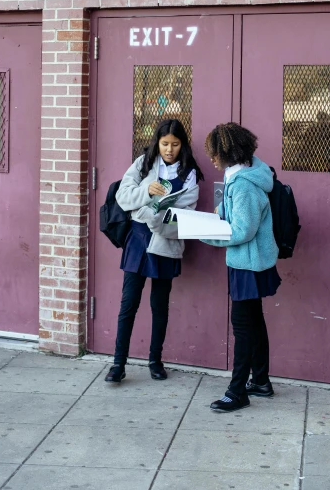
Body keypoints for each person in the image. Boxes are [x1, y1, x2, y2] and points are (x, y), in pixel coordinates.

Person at [106, 119, 204, 384]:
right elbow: (124, 197)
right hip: (138, 242)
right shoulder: (144, 163)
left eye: (174, 144)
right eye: (164, 144)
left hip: (165, 244)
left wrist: (152, 217)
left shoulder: (190, 174)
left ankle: (155, 360)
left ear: (182, 144)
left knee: (159, 306)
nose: (169, 150)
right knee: (128, 304)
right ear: (157, 143)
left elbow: (183, 218)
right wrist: (146, 191)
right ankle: (118, 364)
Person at [202, 122, 281, 412]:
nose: (211, 158)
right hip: (249, 261)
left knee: (243, 327)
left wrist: (204, 232)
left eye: (215, 153)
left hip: (248, 264)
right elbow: (236, 217)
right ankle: (260, 381)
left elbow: (243, 231)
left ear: (228, 151)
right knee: (254, 323)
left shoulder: (245, 184)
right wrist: (219, 214)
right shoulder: (242, 172)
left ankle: (237, 392)